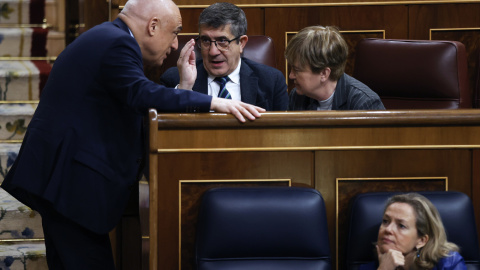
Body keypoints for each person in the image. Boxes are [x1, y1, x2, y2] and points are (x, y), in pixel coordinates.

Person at [0, 0, 265, 269]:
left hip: (64, 184)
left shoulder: (108, 37)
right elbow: (140, 93)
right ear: (153, 26)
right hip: (70, 185)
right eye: (174, 33)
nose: (175, 45)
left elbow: (132, 105)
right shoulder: (117, 43)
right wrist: (212, 102)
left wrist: (184, 87)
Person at [159, 2, 289, 111]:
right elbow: (164, 133)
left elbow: (282, 134)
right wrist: (184, 89)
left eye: (222, 41)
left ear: (242, 43)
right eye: (205, 40)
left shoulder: (271, 81)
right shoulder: (175, 79)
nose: (213, 52)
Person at [285, 26, 385, 111]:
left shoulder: (365, 103)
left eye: (296, 70)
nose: (291, 76)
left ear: (324, 73)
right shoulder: (298, 97)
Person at [360, 193, 466, 270]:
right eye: (385, 221)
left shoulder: (449, 264)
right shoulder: (368, 268)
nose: (388, 229)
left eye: (401, 225)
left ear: (421, 240)